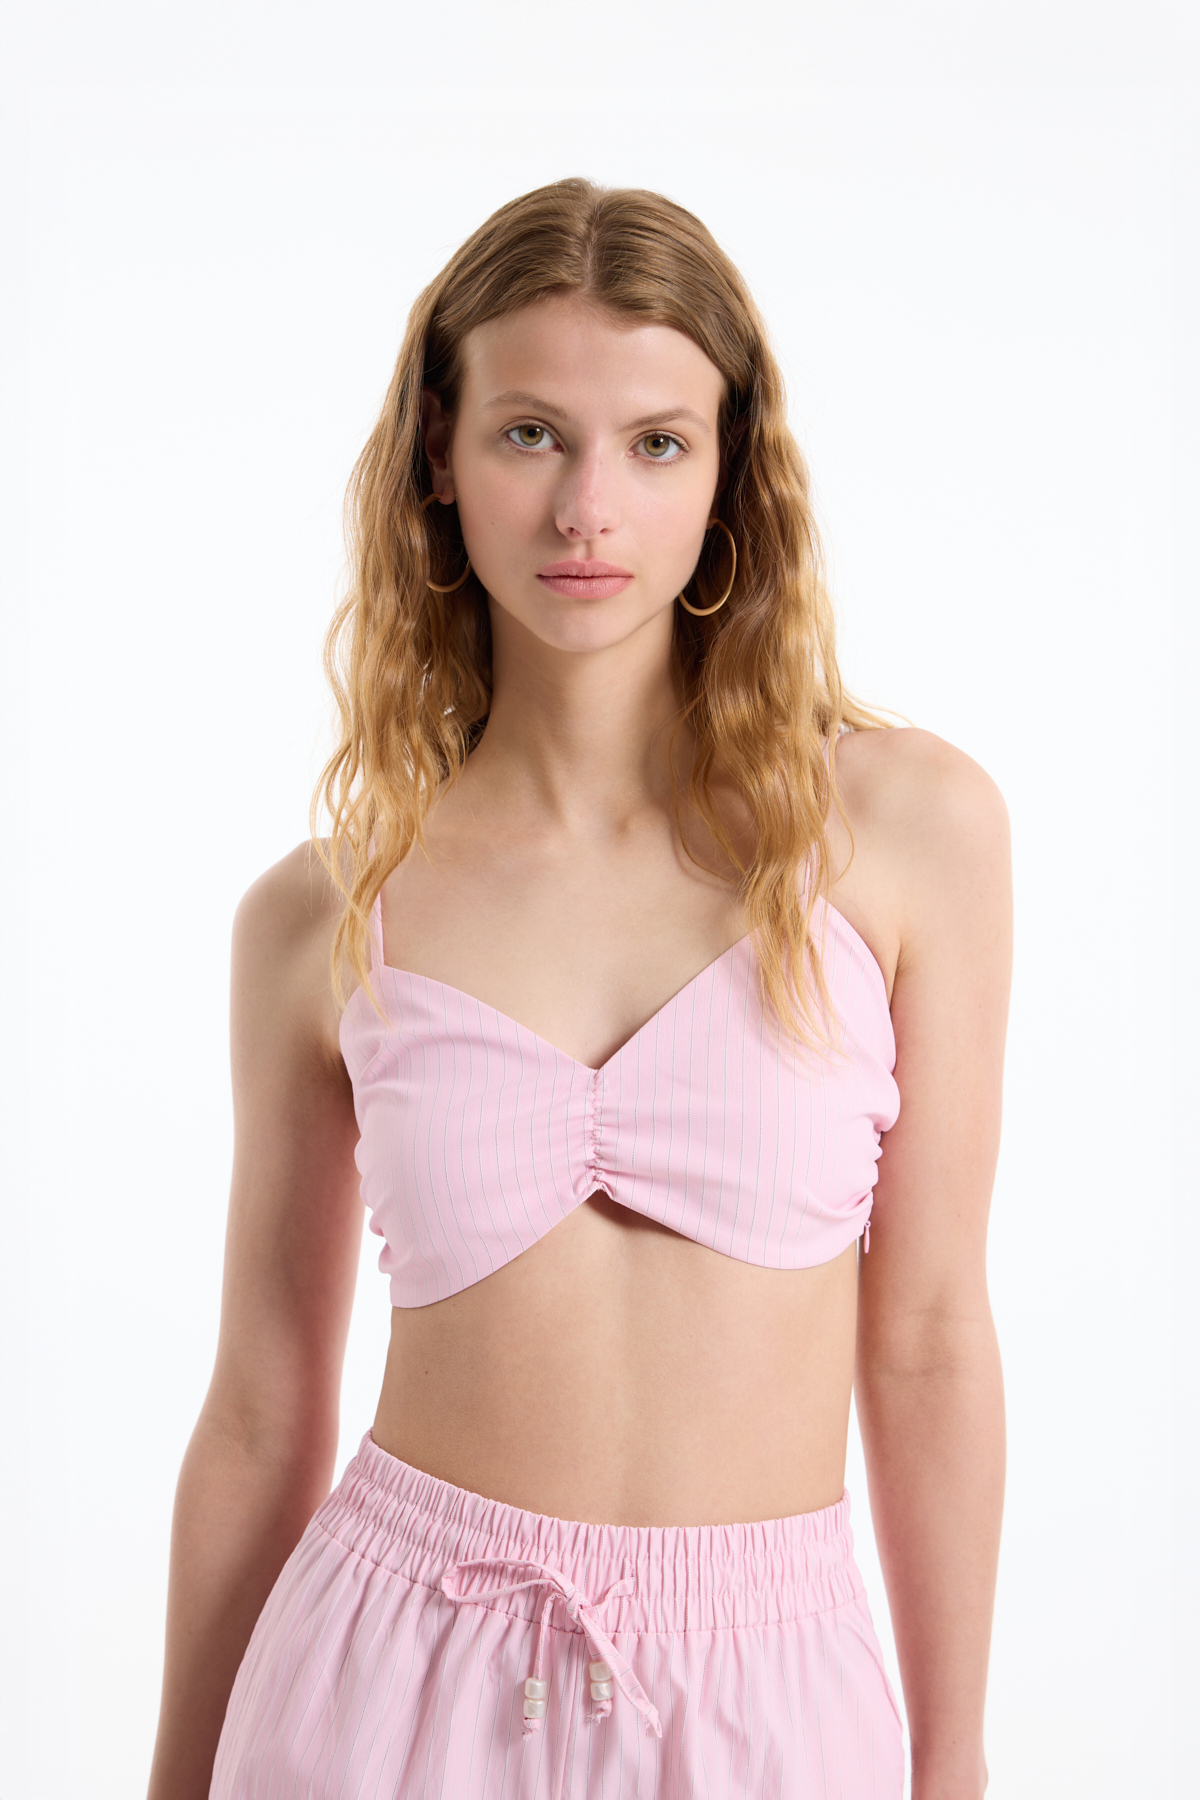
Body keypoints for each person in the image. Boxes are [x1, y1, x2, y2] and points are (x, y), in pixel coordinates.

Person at [147, 178, 1010, 1800]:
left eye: (657, 443)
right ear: (440, 458)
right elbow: (261, 1415)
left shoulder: (907, 834)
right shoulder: (324, 915)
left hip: (767, 1708)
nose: (586, 511)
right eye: (531, 434)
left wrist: (952, 1764)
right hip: (382, 1688)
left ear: (730, 475)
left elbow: (932, 1338)